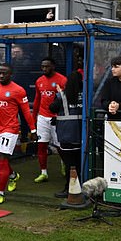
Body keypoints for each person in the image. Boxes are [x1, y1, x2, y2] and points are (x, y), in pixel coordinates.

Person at [0, 62, 36, 205]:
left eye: (4, 73)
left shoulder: (18, 90)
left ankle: (0, 193)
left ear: (11, 74)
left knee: (3, 159)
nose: (1, 75)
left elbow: (26, 111)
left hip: (10, 129)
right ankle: (13, 175)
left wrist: (33, 129)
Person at [32, 57, 67, 184]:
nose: (44, 69)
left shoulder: (62, 80)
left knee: (60, 146)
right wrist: (34, 118)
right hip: (42, 117)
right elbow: (37, 100)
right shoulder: (39, 81)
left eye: (47, 66)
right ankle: (43, 173)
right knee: (41, 145)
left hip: (56, 118)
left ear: (53, 66)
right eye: (42, 66)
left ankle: (64, 164)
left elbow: (65, 100)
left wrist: (61, 116)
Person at [50, 71, 84, 199]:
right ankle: (80, 185)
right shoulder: (86, 95)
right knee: (80, 163)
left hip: (67, 135)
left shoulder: (62, 95)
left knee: (70, 164)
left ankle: (69, 189)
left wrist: (58, 93)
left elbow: (52, 108)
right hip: (81, 134)